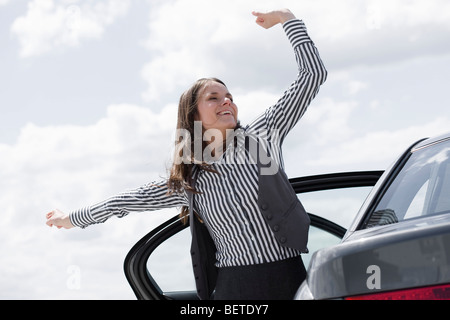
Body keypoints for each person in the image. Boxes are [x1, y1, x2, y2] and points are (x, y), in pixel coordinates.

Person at [46, 8, 327, 300]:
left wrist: (287, 19)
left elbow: (313, 74)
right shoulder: (190, 180)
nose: (227, 101)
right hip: (235, 288)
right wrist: (73, 218)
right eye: (214, 98)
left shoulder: (264, 134)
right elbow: (128, 200)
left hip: (291, 278)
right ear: (193, 114)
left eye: (229, 96)